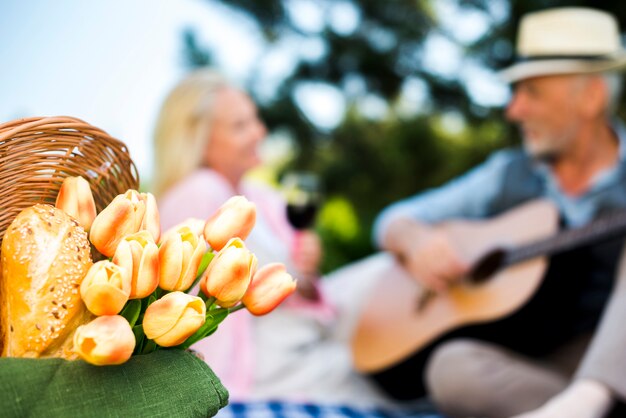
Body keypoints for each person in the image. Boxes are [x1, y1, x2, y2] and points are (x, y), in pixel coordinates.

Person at [371, 7, 626, 418]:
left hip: (611, 358)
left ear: (591, 98)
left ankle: (594, 397)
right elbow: (392, 220)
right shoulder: (506, 174)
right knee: (451, 368)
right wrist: (417, 242)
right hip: (546, 376)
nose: (514, 110)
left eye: (532, 93)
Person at [151, 69, 416, 413]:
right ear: (198, 139)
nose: (260, 132)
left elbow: (291, 283)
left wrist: (306, 273)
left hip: (299, 337)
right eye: (240, 126)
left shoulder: (258, 195)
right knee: (371, 376)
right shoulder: (200, 190)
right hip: (262, 364)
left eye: (255, 120)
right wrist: (296, 274)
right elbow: (245, 287)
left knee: (393, 268)